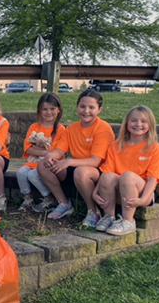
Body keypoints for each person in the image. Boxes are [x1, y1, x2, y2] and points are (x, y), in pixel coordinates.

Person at [39, 89, 115, 227]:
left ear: (99, 110)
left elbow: (95, 161)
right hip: (76, 168)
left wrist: (68, 161)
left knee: (81, 171)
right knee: (43, 165)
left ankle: (94, 211)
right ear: (77, 107)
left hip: (99, 172)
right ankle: (64, 203)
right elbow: (59, 150)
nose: (86, 111)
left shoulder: (103, 128)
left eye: (91, 107)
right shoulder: (71, 129)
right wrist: (50, 155)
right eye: (82, 106)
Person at [92, 106, 159, 235]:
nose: (138, 124)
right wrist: (95, 193)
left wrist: (142, 200)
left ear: (150, 125)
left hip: (143, 193)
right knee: (108, 176)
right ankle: (109, 216)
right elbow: (106, 173)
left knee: (127, 176)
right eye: (134, 120)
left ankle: (128, 221)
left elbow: (153, 180)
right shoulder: (115, 146)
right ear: (127, 123)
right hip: (120, 193)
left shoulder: (154, 148)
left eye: (143, 121)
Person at [18, 93, 66, 213]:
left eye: (52, 109)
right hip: (32, 162)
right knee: (21, 173)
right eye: (44, 109)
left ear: (59, 110)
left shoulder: (60, 129)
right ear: (39, 111)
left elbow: (55, 152)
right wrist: (45, 150)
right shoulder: (34, 127)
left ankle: (49, 199)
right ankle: (28, 198)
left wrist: (37, 149)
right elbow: (27, 149)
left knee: (33, 175)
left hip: (48, 164)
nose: (48, 112)